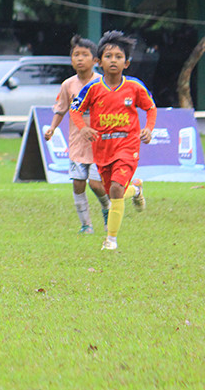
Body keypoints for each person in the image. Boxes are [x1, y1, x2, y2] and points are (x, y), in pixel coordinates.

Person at [70, 30, 156, 251]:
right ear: (99, 62)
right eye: (108, 56)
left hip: (128, 147)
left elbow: (150, 107)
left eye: (118, 57)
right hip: (102, 149)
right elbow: (75, 111)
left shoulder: (135, 86)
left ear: (126, 63)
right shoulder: (93, 89)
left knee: (116, 188)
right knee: (112, 193)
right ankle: (136, 189)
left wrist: (148, 128)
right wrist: (83, 128)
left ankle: (111, 240)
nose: (113, 61)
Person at [44, 35, 111, 234]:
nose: (79, 59)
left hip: (100, 143)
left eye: (84, 55)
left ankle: (107, 207)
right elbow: (61, 108)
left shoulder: (103, 82)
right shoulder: (68, 85)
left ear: (95, 60)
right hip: (78, 143)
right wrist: (52, 128)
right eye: (75, 55)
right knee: (78, 184)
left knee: (96, 184)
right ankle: (86, 225)